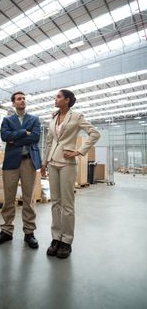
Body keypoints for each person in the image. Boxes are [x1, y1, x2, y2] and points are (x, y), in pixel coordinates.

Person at [41, 89, 100, 259]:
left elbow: (95, 134)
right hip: (52, 163)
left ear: (67, 100)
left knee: (67, 204)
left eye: (58, 96)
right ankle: (56, 238)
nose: (55, 99)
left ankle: (66, 241)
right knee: (55, 203)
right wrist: (44, 163)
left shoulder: (77, 116)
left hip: (67, 163)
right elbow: (49, 141)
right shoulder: (53, 117)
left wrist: (78, 151)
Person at [0, 91, 42, 249]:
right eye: (19, 99)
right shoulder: (7, 120)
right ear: (13, 103)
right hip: (11, 163)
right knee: (9, 198)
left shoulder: (34, 119)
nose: (23, 101)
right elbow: (5, 137)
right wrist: (22, 133)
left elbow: (35, 138)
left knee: (28, 199)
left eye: (24, 99)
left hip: (29, 162)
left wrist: (16, 138)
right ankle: (6, 230)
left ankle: (29, 232)